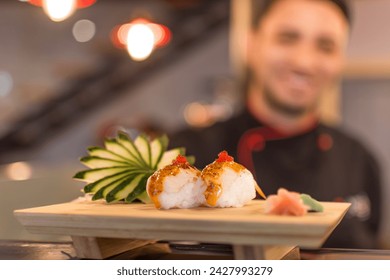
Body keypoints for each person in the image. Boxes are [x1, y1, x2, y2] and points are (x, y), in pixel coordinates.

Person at [168, 0, 382, 249]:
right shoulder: (185, 157)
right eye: (287, 38)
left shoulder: (359, 159)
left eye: (326, 46)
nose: (304, 62)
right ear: (250, 44)